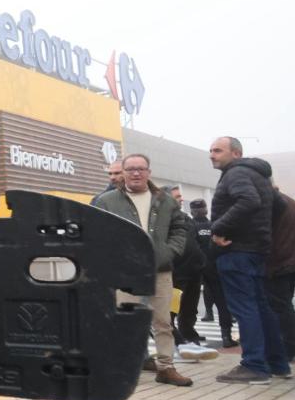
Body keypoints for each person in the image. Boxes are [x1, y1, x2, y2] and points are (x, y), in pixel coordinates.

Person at [91, 153, 194, 386]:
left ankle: (166, 368)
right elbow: (96, 234)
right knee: (125, 321)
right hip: (124, 272)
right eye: (130, 169)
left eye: (140, 168)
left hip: (160, 269)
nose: (136, 173)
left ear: (149, 172)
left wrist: (169, 252)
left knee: (163, 321)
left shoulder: (164, 200)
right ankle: (125, 368)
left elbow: (180, 228)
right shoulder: (106, 201)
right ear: (123, 172)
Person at [208, 136, 287, 384]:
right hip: (255, 250)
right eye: (210, 151)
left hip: (237, 250)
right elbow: (280, 205)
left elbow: (249, 201)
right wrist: (259, 231)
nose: (212, 155)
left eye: (218, 150)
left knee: (246, 309)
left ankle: (254, 365)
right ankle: (277, 363)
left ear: (236, 153)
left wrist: (218, 228)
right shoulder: (259, 175)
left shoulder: (236, 173)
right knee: (260, 307)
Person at [171, 192, 213, 357]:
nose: (181, 199)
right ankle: (179, 341)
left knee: (190, 308)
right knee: (170, 312)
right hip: (176, 273)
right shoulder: (162, 219)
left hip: (194, 271)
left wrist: (201, 262)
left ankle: (189, 336)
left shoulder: (186, 218)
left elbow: (195, 242)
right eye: (176, 197)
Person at [267, 185, 295, 367]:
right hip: (292, 260)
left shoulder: (272, 201)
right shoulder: (289, 200)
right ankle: (291, 349)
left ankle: (290, 350)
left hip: (278, 262)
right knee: (285, 306)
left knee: (280, 307)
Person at [190, 198, 234, 343]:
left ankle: (188, 336)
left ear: (192, 211)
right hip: (214, 267)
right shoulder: (215, 225)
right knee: (222, 302)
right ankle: (226, 336)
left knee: (188, 303)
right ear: (206, 210)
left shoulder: (188, 226)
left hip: (195, 268)